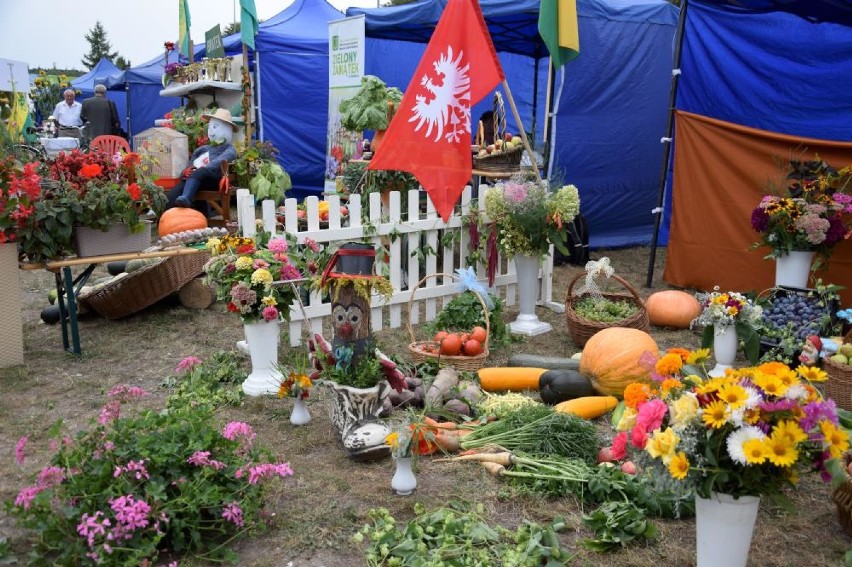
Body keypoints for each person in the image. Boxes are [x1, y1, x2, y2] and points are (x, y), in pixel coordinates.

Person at [166, 108, 238, 214]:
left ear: (226, 129)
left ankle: (186, 198)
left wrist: (201, 169)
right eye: (210, 127)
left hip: (214, 180)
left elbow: (220, 161)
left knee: (200, 172)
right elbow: (190, 167)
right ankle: (163, 219)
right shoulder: (202, 149)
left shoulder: (229, 149)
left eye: (215, 127)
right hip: (195, 179)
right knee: (175, 191)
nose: (211, 130)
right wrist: (185, 172)